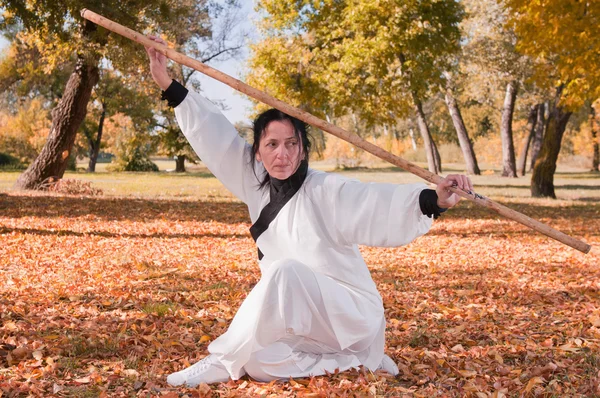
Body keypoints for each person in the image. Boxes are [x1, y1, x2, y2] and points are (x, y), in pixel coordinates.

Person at [145, 37, 474, 387]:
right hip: (303, 323)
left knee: (285, 271)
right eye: (271, 145)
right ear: (257, 152)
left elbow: (376, 203)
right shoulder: (252, 179)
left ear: (303, 151)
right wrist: (167, 82)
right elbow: (215, 135)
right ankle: (353, 362)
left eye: (291, 144)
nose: (281, 155)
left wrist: (433, 200)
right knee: (258, 364)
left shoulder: (326, 190)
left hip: (350, 313)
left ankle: (219, 359)